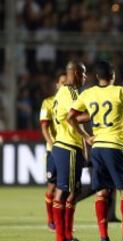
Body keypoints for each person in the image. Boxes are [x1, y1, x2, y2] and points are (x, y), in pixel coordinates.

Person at [67, 60, 123, 241]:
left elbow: (71, 117)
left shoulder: (88, 93)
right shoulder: (119, 91)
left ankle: (104, 239)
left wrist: (86, 136)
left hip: (98, 147)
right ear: (113, 76)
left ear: (96, 77)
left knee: (102, 192)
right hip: (116, 146)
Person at [51, 61, 89, 241]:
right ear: (74, 72)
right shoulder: (71, 92)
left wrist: (85, 145)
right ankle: (61, 239)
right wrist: (93, 113)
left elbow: (70, 119)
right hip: (68, 145)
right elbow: (73, 118)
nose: (85, 77)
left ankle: (67, 237)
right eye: (83, 73)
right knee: (65, 191)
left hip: (66, 145)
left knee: (72, 192)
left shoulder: (61, 92)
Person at [40, 72, 66, 232]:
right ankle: (51, 221)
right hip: (53, 150)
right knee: (52, 186)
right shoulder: (48, 103)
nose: (64, 85)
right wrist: (52, 144)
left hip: (67, 149)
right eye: (62, 82)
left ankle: (62, 223)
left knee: (64, 188)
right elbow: (44, 126)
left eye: (66, 83)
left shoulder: (70, 103)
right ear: (57, 85)